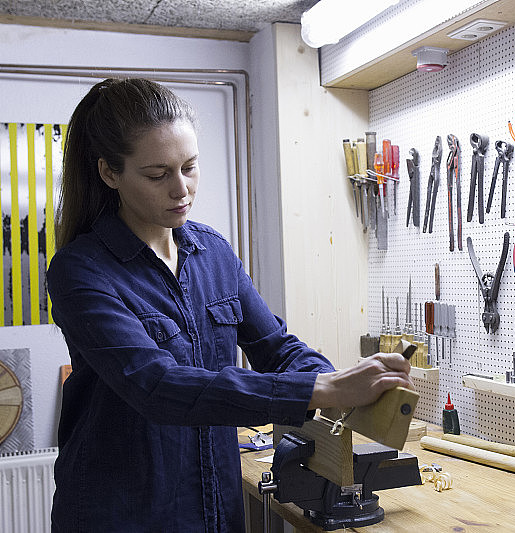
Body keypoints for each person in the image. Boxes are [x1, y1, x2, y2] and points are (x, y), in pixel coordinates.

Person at [46, 78, 412, 532]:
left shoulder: (213, 253)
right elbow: (157, 386)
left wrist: (342, 383)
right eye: (158, 175)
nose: (181, 190)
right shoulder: (80, 271)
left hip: (214, 508)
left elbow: (276, 348)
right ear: (110, 173)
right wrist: (324, 390)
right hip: (124, 513)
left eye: (190, 167)